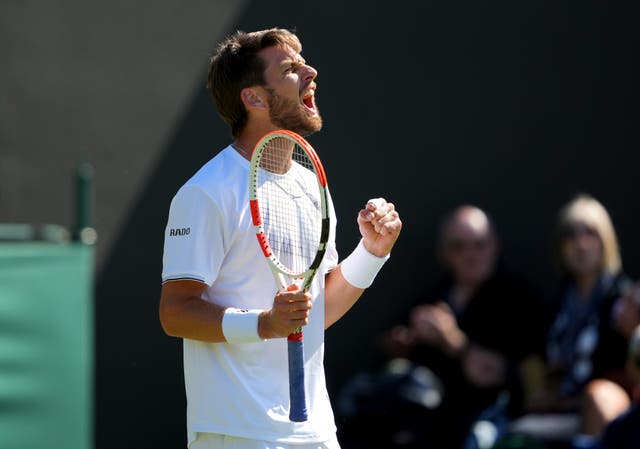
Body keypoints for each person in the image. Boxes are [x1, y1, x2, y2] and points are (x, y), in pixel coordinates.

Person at [158, 28, 402, 449]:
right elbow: (175, 313)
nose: (311, 71)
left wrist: (373, 253)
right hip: (236, 432)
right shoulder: (205, 193)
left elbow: (317, 310)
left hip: (316, 432)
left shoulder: (311, 186)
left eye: (303, 61)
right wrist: (265, 324)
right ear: (253, 98)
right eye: (290, 69)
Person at [368, 205, 545, 449]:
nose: (470, 255)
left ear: (494, 246)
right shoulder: (434, 296)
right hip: (427, 418)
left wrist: (452, 339)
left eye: (479, 245)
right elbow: (389, 345)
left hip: (489, 417)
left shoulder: (518, 299)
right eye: (458, 247)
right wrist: (404, 342)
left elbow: (502, 376)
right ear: (444, 253)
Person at [509, 195, 632, 448]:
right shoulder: (556, 307)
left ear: (605, 240)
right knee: (513, 439)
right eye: (570, 235)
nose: (580, 244)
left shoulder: (625, 300)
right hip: (557, 411)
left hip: (607, 412)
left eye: (590, 233)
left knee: (598, 397)